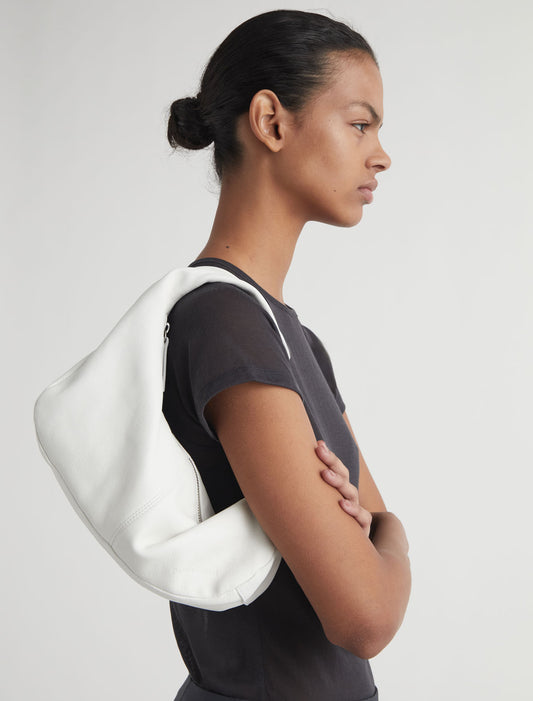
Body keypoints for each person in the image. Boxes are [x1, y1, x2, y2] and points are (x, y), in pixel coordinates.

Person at [163, 9, 411, 701]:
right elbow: (365, 616)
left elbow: (370, 534)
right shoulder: (225, 324)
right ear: (271, 122)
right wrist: (393, 538)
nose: (381, 155)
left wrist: (377, 538)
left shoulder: (293, 340)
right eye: (359, 124)